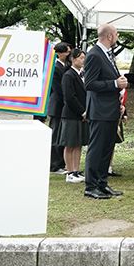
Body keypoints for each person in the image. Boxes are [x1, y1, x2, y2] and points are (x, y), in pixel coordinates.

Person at [83, 24, 127, 199]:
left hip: (110, 109)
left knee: (107, 149)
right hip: (100, 110)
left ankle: (102, 183)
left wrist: (118, 85)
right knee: (97, 148)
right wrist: (115, 84)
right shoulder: (94, 54)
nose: (117, 37)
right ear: (109, 36)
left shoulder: (107, 54)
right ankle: (91, 186)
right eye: (116, 34)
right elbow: (90, 84)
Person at [58, 48, 88, 184]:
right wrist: (82, 111)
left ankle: (76, 170)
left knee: (78, 143)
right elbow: (70, 97)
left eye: (84, 58)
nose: (83, 60)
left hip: (81, 115)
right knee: (70, 144)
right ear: (73, 59)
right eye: (81, 58)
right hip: (71, 114)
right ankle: (69, 171)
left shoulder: (82, 74)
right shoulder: (68, 75)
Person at [48, 42, 70, 174]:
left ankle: (61, 162)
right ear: (59, 53)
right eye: (67, 52)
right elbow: (58, 89)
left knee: (62, 135)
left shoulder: (65, 67)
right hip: (57, 105)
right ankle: (54, 164)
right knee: (55, 135)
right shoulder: (55, 68)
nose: (69, 55)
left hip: (63, 106)